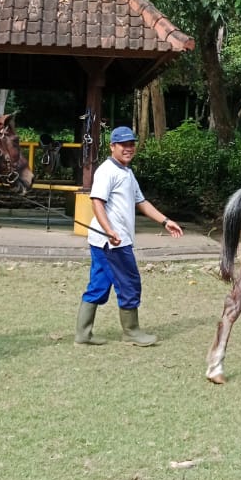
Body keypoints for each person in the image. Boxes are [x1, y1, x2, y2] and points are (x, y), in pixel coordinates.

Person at [75, 125, 183, 346]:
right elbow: (97, 202)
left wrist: (165, 221)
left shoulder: (127, 172)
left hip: (109, 241)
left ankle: (83, 334)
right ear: (112, 146)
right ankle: (131, 332)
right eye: (123, 144)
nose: (128, 148)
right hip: (112, 242)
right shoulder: (107, 171)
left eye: (131, 144)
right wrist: (109, 230)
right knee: (129, 283)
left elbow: (141, 202)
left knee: (99, 285)